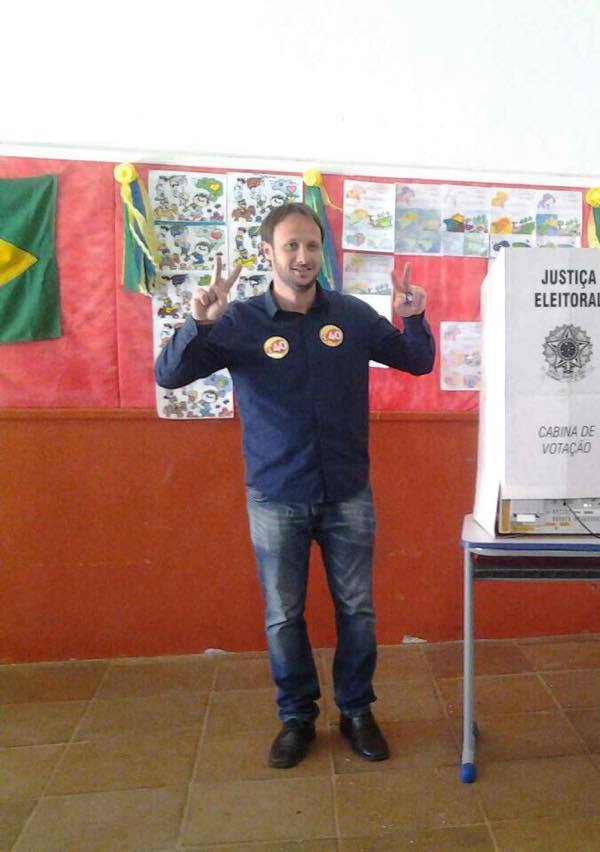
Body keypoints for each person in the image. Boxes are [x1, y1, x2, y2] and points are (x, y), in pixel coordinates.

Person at [155, 202, 434, 768]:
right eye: (291, 246)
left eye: (311, 246)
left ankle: (356, 710)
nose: (302, 257)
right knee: (283, 615)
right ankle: (297, 717)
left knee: (357, 610)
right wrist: (199, 324)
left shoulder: (352, 316)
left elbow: (416, 361)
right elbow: (170, 375)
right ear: (269, 253)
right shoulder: (238, 323)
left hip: (347, 491)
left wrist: (413, 318)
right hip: (275, 494)